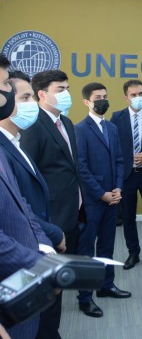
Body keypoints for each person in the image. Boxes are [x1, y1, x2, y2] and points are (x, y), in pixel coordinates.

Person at [0, 70, 68, 339]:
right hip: (17, 264)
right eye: (25, 97)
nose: (32, 104)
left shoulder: (15, 143)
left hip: (36, 249)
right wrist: (42, 255)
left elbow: (22, 205)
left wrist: (45, 240)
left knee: (45, 324)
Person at [75, 82, 131, 318]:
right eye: (98, 97)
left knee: (107, 245)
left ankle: (106, 285)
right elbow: (81, 168)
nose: (103, 100)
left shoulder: (112, 128)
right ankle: (85, 298)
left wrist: (117, 188)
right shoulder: (80, 129)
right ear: (87, 102)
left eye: (105, 96)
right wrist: (102, 194)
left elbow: (119, 160)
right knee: (87, 250)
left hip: (113, 197)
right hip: (92, 201)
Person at [20, 70, 83, 255]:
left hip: (73, 210)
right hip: (51, 216)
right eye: (60, 89)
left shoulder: (67, 123)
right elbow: (28, 176)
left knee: (70, 264)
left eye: (67, 89)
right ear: (42, 94)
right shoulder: (32, 125)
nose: (66, 93)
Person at [110, 79, 142, 270]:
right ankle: (133, 253)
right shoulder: (116, 118)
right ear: (126, 97)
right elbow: (112, 148)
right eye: (133, 95)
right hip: (126, 176)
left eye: (141, 94)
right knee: (128, 217)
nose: (138, 97)